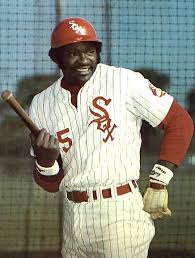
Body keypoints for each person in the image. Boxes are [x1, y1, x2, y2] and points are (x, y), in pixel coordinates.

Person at [29, 17, 194, 258]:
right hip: (72, 215)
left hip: (119, 211)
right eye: (73, 53)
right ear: (57, 58)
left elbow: (181, 122)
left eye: (90, 51)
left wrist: (159, 180)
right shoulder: (41, 104)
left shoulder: (124, 81)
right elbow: (50, 185)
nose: (84, 60)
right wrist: (44, 161)